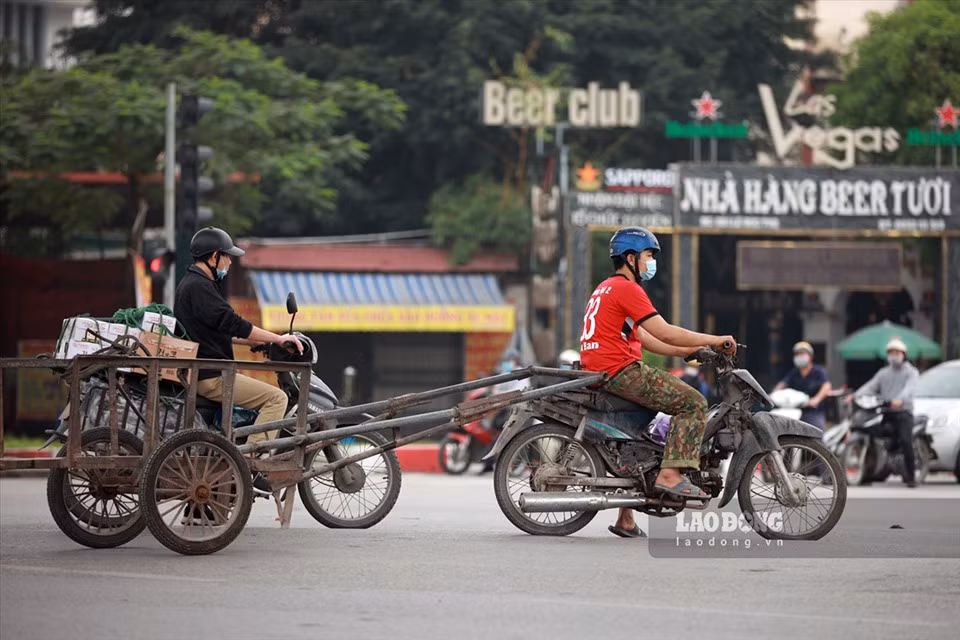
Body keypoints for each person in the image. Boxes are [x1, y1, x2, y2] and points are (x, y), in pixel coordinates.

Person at [578, 227, 735, 539]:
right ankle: (670, 474)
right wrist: (716, 339)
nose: (652, 263)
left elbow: (646, 338)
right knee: (693, 403)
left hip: (605, 369)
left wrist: (689, 352)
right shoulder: (627, 289)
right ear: (632, 258)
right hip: (620, 370)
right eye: (649, 256)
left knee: (645, 439)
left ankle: (626, 517)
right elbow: (663, 330)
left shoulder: (607, 289)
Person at [174, 227, 303, 495]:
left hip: (205, 371)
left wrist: (260, 341)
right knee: (276, 399)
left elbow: (217, 331)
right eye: (227, 257)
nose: (231, 262)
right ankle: (250, 465)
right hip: (211, 376)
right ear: (214, 257)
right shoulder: (199, 287)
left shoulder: (196, 283)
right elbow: (233, 323)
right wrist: (279, 340)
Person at [853, 337, 919, 487]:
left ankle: (911, 476)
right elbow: (870, 386)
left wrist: (899, 400)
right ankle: (870, 471)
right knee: (873, 433)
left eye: (897, 352)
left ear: (904, 354)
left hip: (903, 413)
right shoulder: (883, 373)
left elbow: (909, 390)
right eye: (891, 352)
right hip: (885, 412)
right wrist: (856, 395)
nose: (894, 355)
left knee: (905, 441)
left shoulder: (911, 372)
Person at [774, 341, 832, 433]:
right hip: (795, 411)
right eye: (797, 354)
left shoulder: (818, 371)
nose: (799, 356)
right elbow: (782, 384)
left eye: (802, 353)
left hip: (814, 412)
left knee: (817, 437)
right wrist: (773, 395)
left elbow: (826, 386)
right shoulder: (794, 373)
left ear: (810, 356)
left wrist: (816, 399)